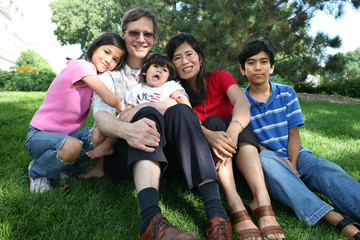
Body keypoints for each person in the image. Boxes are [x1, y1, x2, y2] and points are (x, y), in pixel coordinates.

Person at [87, 7, 233, 240]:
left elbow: (184, 107)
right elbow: (102, 120)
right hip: (125, 156)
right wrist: (129, 129)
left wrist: (151, 107)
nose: (141, 39)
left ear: (155, 39)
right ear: (123, 34)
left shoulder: (168, 78)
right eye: (134, 32)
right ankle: (151, 221)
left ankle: (217, 215)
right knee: (147, 115)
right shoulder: (110, 76)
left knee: (178, 112)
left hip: (168, 156)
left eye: (148, 34)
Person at [166, 32, 285, 240]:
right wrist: (209, 135)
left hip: (239, 153)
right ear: (172, 65)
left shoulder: (219, 77)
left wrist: (233, 132)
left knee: (234, 120)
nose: (185, 61)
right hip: (209, 163)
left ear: (200, 58)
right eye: (177, 58)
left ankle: (262, 200)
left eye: (189, 54)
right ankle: (234, 202)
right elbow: (186, 124)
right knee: (212, 122)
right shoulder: (175, 91)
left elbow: (242, 102)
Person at [239, 39, 360, 240]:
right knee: (267, 160)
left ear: (272, 66)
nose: (258, 67)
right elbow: (252, 142)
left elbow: (294, 134)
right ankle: (335, 218)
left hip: (297, 154)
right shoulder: (241, 102)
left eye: (263, 61)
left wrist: (293, 165)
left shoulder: (287, 93)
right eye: (251, 63)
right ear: (242, 70)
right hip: (266, 161)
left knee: (326, 169)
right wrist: (283, 164)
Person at [26, 32, 127, 193]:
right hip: (38, 136)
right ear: (94, 49)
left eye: (115, 59)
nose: (109, 60)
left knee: (101, 132)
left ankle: (62, 167)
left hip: (64, 139)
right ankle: (38, 171)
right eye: (106, 52)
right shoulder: (82, 66)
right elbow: (110, 99)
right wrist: (125, 109)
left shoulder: (96, 78)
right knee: (73, 146)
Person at [80, 52, 191, 178]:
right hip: (137, 125)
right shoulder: (138, 89)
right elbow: (130, 107)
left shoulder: (166, 88)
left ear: (168, 77)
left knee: (148, 114)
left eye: (164, 70)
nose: (159, 71)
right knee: (119, 119)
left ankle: (109, 146)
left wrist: (183, 102)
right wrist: (124, 114)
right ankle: (100, 165)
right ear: (145, 72)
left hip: (160, 127)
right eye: (156, 67)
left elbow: (180, 97)